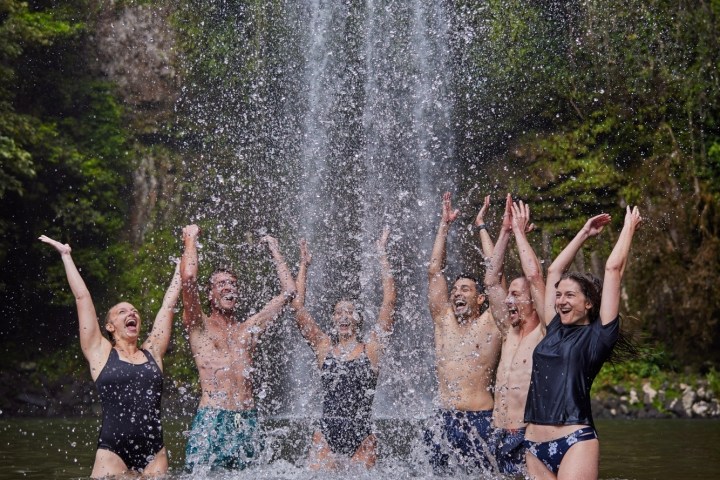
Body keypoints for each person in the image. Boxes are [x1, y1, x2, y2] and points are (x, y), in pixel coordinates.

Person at [39, 235, 181, 478]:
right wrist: (66, 256)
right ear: (110, 326)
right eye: (122, 311)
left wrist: (180, 269)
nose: (132, 313)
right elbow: (82, 298)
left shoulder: (153, 351)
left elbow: (167, 307)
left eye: (135, 311)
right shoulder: (100, 352)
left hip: (154, 453)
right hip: (112, 452)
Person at [523, 206, 642, 479]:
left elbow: (613, 269)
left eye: (570, 296)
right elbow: (553, 270)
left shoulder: (598, 336)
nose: (561, 300)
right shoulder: (553, 328)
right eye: (559, 295)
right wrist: (584, 233)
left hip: (575, 440)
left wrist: (628, 228)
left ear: (588, 304)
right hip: (533, 445)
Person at [180, 225, 296, 472]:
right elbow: (188, 280)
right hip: (212, 419)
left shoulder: (248, 330)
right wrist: (190, 240)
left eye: (232, 283)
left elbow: (289, 292)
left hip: (247, 419)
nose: (228, 287)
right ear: (211, 295)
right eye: (221, 283)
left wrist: (275, 251)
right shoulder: (199, 325)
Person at [291, 228, 396, 469]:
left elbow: (389, 301)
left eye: (349, 311)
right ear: (333, 319)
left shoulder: (371, 349)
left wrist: (382, 253)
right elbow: (297, 308)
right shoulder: (323, 347)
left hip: (362, 437)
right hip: (326, 436)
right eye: (339, 312)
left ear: (358, 319)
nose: (344, 316)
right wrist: (304, 266)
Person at [425, 192, 502, 474]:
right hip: (443, 420)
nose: (457, 293)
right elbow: (434, 272)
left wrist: (482, 227)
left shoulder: (491, 323)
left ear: (481, 299)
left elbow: (495, 275)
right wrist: (444, 227)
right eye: (455, 290)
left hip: (481, 418)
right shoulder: (443, 321)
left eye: (465, 289)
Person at [482, 195, 545, 475]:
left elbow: (535, 278)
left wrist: (520, 232)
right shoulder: (508, 330)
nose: (508, 300)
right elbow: (491, 280)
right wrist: (505, 232)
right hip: (497, 431)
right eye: (509, 295)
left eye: (515, 295)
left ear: (533, 301)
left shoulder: (545, 332)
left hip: (527, 432)